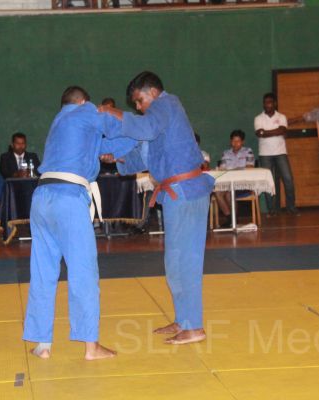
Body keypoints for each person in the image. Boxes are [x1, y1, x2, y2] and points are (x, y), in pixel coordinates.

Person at [100, 71, 215, 345]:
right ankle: (183, 319)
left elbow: (146, 128)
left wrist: (115, 112)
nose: (138, 107)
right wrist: (116, 158)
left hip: (186, 191)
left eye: (139, 101)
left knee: (186, 261)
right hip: (177, 194)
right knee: (174, 262)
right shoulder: (158, 119)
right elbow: (142, 157)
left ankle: (194, 326)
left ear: (152, 92)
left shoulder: (167, 103)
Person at [23, 86, 131, 360]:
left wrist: (113, 150)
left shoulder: (58, 122)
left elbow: (100, 147)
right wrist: (140, 131)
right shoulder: (87, 112)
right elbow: (120, 126)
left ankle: (43, 344)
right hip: (68, 198)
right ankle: (91, 347)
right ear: (83, 102)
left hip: (41, 198)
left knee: (43, 271)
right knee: (83, 271)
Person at [254, 93, 298, 216]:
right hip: (265, 154)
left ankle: (291, 207)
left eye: (269, 102)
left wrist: (266, 132)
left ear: (275, 103)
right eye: (265, 102)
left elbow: (282, 130)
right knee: (268, 182)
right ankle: (272, 210)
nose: (267, 104)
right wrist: (277, 131)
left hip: (281, 153)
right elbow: (259, 133)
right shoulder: (258, 118)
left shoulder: (282, 117)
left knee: (288, 180)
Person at [215, 130, 255, 227]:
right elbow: (222, 168)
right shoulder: (226, 153)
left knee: (229, 193)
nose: (235, 143)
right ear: (230, 141)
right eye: (233, 141)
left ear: (242, 142)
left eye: (238, 141)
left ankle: (233, 220)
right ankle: (231, 219)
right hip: (228, 182)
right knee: (218, 193)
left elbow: (250, 167)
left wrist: (234, 169)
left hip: (243, 183)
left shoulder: (248, 151)